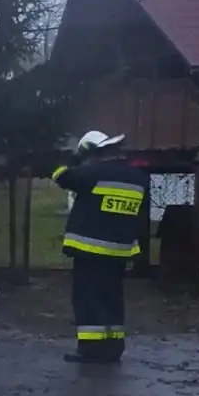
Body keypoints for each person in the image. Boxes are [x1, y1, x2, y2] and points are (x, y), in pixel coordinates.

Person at [50, 130, 149, 364]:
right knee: (112, 298)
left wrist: (73, 159)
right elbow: (143, 218)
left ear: (94, 154)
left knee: (88, 298)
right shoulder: (139, 178)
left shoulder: (92, 173)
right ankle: (113, 348)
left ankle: (90, 349)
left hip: (90, 251)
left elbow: (61, 176)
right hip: (120, 252)